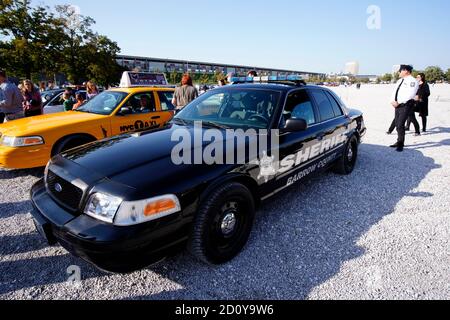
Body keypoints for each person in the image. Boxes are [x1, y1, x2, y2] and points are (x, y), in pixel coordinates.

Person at [389, 65, 419, 152]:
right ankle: (398, 141)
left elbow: (411, 94)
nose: (399, 72)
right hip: (397, 105)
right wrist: (392, 101)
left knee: (400, 124)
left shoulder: (413, 81)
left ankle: (400, 144)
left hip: (406, 105)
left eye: (400, 71)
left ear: (406, 71)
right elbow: (395, 92)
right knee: (397, 124)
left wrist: (399, 102)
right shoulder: (400, 81)